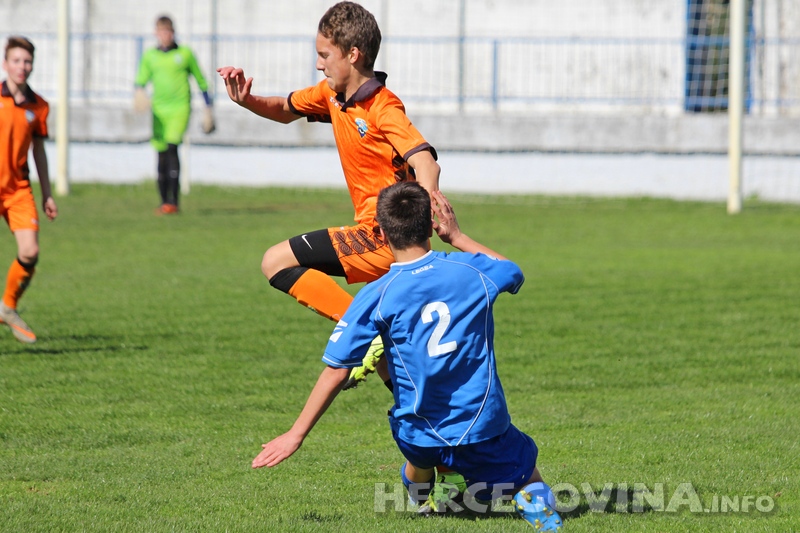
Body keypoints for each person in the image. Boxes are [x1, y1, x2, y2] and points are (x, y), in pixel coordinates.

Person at [251, 183, 563, 530]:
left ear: (381, 233)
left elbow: (336, 372)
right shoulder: (473, 272)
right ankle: (547, 522)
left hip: (417, 430)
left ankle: (423, 497)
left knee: (419, 457)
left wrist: (295, 434)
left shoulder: (376, 295)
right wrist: (457, 236)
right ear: (432, 224)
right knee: (526, 477)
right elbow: (512, 271)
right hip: (481, 424)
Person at [217, 1, 441, 390]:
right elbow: (285, 108)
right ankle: (425, 439)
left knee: (276, 260)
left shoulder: (382, 107)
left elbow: (424, 160)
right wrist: (246, 100)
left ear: (352, 55)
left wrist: (429, 200)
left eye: (324, 55)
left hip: (384, 238)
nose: (319, 64)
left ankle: (364, 328)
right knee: (400, 373)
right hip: (382, 239)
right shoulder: (332, 96)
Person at [0, 36, 58, 344]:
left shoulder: (39, 106)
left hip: (18, 190)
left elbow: (39, 153)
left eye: (27, 61)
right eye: (16, 60)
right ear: (5, 63)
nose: (22, 67)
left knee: (30, 251)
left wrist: (47, 192)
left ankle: (7, 308)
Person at [134, 15, 215, 215]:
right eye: (161, 32)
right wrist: (139, 93)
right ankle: (164, 202)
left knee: (172, 148)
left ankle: (173, 201)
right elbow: (140, 81)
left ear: (173, 32)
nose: (165, 36)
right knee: (161, 154)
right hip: (159, 111)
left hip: (180, 108)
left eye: (168, 32)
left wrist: (208, 111)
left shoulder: (185, 54)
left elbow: (201, 81)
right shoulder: (150, 56)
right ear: (156, 33)